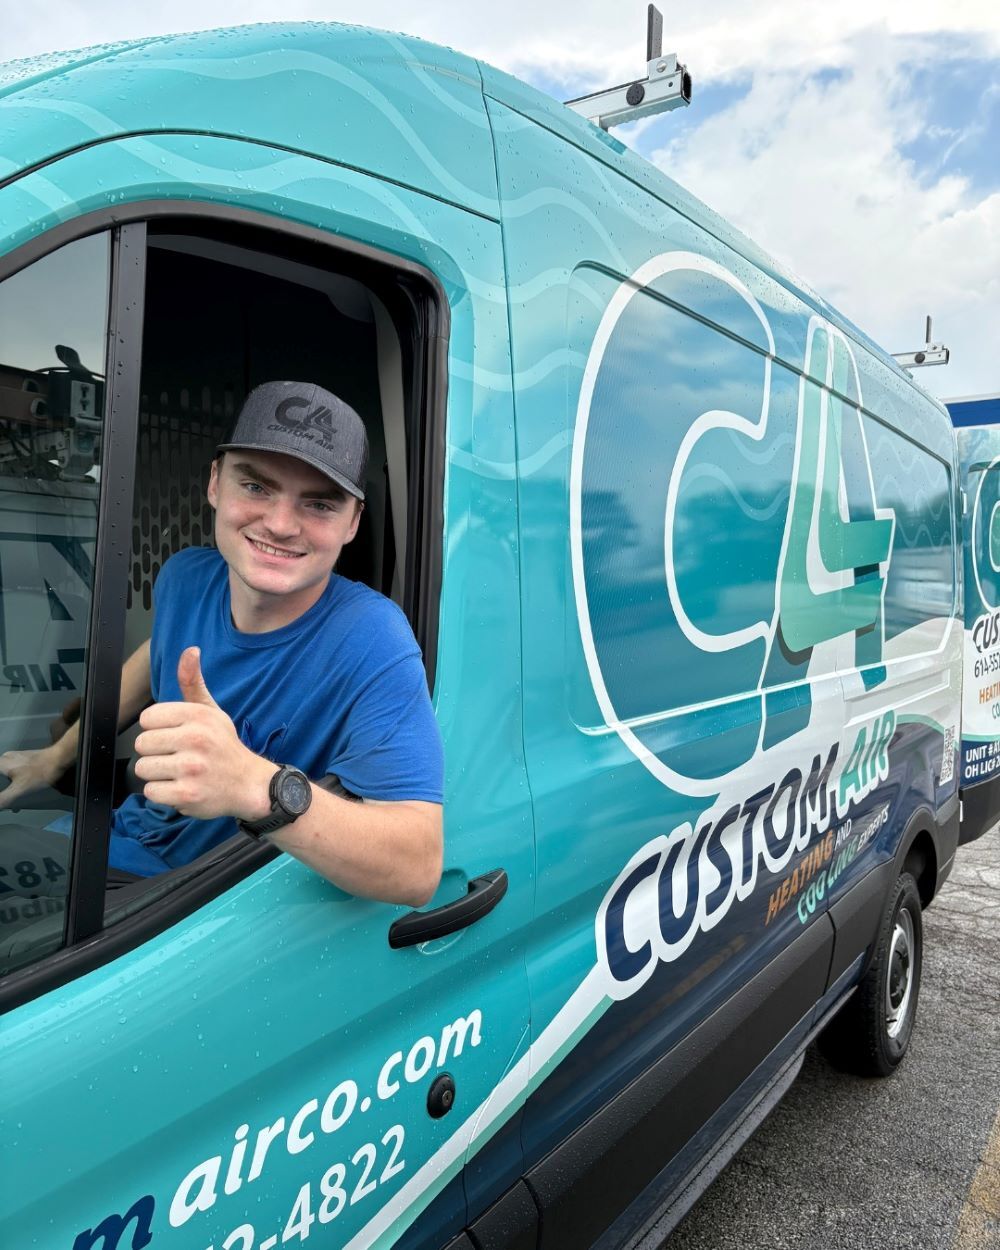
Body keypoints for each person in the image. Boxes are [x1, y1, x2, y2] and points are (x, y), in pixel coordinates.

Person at [0, 381, 444, 929]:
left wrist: (253, 786)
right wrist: (58, 756)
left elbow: (417, 867)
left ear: (352, 522)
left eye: (320, 503)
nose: (281, 523)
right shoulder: (186, 576)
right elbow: (153, 658)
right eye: (256, 486)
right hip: (111, 837)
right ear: (215, 483)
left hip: (188, 900)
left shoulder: (374, 638)